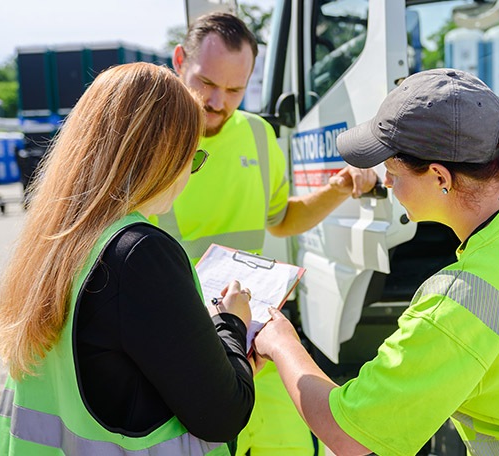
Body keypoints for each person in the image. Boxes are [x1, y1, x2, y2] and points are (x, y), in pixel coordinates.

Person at [254, 69, 499, 455]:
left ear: (440, 176)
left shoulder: (462, 301)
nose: (387, 184)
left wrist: (280, 339)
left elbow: (351, 437)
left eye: (392, 171)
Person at [0, 62, 256, 455]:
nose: (188, 174)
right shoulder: (140, 253)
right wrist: (232, 326)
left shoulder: (55, 240)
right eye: (191, 157)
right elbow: (224, 412)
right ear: (162, 155)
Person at [162, 12, 378, 455]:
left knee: (291, 443)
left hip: (251, 335)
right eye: (206, 83)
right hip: (178, 340)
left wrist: (337, 190)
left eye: (235, 90)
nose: (218, 102)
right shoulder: (150, 142)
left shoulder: (259, 136)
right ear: (180, 60)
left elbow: (281, 218)